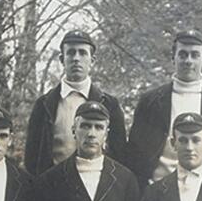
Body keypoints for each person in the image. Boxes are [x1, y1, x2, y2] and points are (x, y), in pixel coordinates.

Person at [123, 28, 202, 185]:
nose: (188, 61)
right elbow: (134, 152)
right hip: (158, 189)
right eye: (183, 54)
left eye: (195, 55)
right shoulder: (150, 101)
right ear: (173, 58)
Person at [24, 29, 127, 175]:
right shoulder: (44, 104)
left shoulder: (110, 105)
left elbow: (120, 154)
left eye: (82, 53)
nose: (76, 58)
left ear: (92, 60)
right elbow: (32, 157)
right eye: (71, 52)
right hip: (54, 187)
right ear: (62, 59)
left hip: (96, 187)